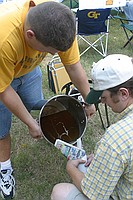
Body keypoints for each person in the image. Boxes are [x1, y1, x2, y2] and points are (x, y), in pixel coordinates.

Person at [0, 0, 95, 199]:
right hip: (3, 76)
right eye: (51, 51)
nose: (54, 55)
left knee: (35, 105)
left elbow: (73, 66)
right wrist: (28, 123)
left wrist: (89, 97)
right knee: (1, 128)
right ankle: (4, 168)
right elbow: (4, 90)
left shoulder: (58, 21)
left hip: (27, 70)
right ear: (30, 35)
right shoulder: (4, 38)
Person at [51, 54, 133, 200]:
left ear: (123, 93)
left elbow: (94, 194)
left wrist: (70, 168)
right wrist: (107, 158)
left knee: (60, 192)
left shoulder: (116, 138)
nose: (102, 102)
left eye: (103, 97)